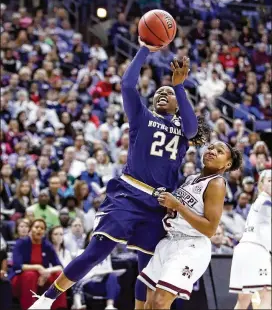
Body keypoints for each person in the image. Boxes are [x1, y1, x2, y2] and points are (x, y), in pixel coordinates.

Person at [29, 39, 210, 309]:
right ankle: (46, 300)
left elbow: (194, 129)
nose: (162, 94)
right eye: (158, 92)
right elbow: (127, 85)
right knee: (97, 250)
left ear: (176, 103)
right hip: (128, 193)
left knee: (147, 269)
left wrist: (179, 86)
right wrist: (145, 49)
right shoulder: (141, 116)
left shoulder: (185, 129)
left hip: (159, 203)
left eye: (167, 93)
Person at [138, 141, 242, 309]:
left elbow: (210, 229)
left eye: (219, 151)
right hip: (170, 241)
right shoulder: (191, 179)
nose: (212, 151)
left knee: (159, 303)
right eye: (210, 148)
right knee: (148, 304)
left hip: (191, 245)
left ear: (227, 164)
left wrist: (177, 205)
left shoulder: (217, 183)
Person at [229, 169, 271, 310]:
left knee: (243, 301)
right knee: (267, 297)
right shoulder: (266, 201)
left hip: (243, 250)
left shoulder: (257, 203)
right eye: (270, 181)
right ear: (261, 185)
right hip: (256, 249)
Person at [10, 219, 67, 310]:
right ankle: (29, 307)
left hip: (41, 278)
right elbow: (17, 266)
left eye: (42, 228)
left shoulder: (47, 245)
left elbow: (59, 266)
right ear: (31, 229)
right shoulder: (21, 243)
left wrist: (46, 272)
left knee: (57, 275)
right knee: (30, 275)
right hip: (21, 279)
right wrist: (38, 267)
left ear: (44, 231)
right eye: (36, 227)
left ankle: (59, 308)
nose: (39, 230)